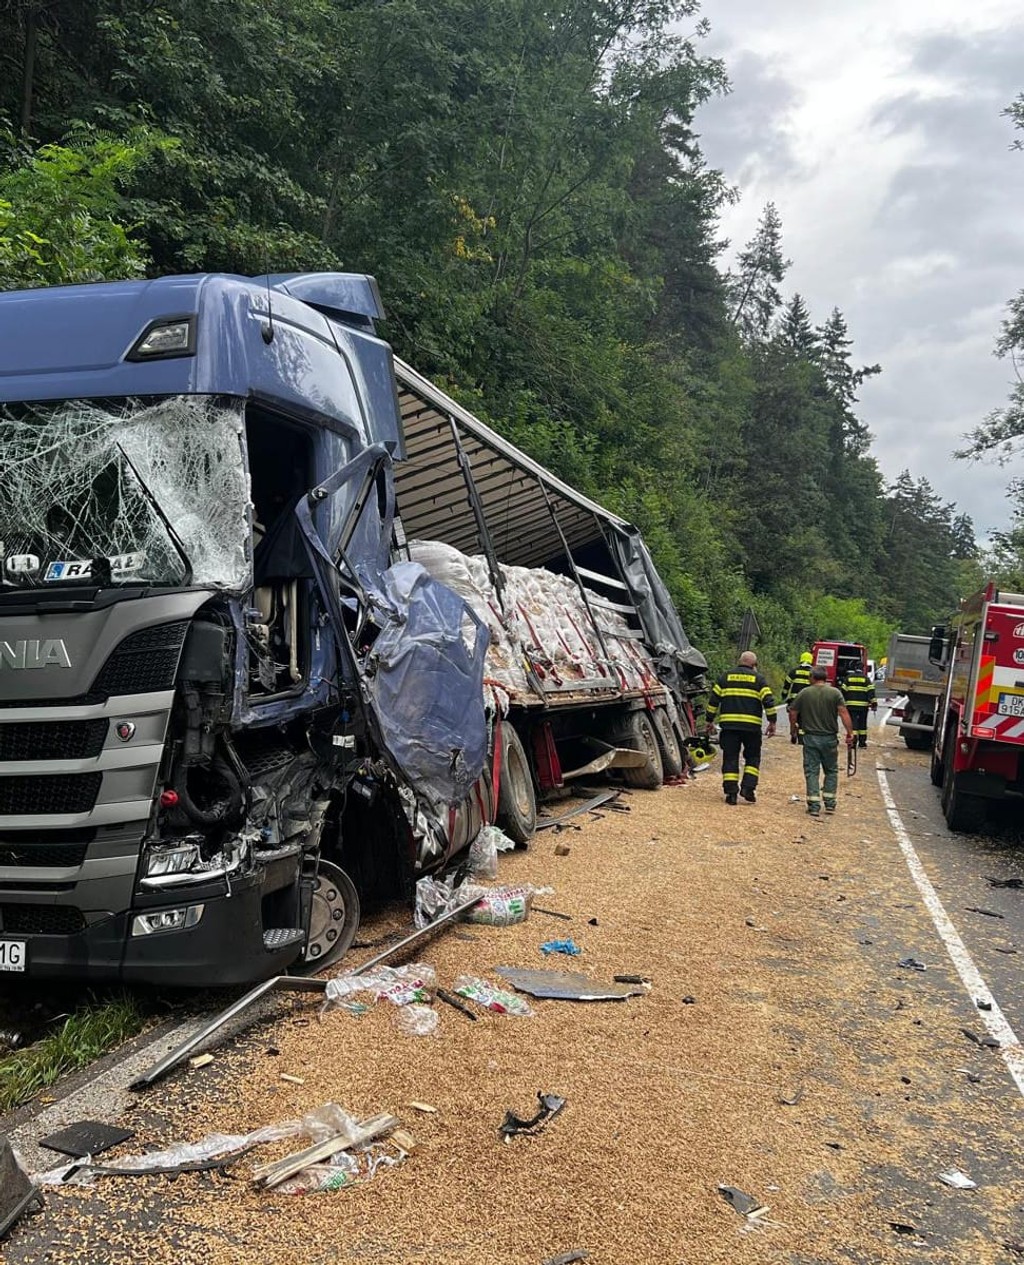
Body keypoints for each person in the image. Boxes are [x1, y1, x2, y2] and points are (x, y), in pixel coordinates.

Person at [704, 650, 777, 805]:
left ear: (740, 661)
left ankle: (731, 793)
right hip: (752, 729)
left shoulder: (725, 677)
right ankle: (748, 788)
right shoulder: (759, 680)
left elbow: (713, 701)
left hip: (729, 727)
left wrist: (709, 720)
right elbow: (769, 702)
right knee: (752, 757)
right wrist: (772, 722)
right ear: (754, 665)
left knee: (730, 758)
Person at [789, 665, 855, 816]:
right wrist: (850, 733)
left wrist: (793, 729)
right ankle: (830, 803)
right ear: (825, 678)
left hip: (810, 737)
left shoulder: (804, 693)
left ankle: (814, 805)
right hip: (830, 738)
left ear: (812, 677)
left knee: (812, 771)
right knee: (831, 770)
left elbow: (793, 712)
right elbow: (844, 713)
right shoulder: (835, 693)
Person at [839, 663, 876, 748]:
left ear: (855, 668)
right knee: (862, 724)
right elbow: (871, 692)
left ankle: (853, 743)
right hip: (863, 706)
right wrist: (874, 704)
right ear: (863, 669)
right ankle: (862, 743)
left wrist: (842, 702)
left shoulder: (848, 678)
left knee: (852, 724)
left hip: (851, 706)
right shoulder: (866, 679)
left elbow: (843, 691)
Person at [782, 651, 814, 744]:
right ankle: (801, 738)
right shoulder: (812, 673)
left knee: (793, 716)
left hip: (794, 700)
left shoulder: (794, 671)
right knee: (804, 719)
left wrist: (784, 695)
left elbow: (787, 684)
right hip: (807, 700)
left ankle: (793, 730)